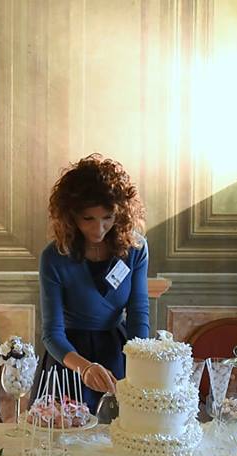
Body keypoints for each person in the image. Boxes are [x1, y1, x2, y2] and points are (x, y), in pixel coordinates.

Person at [33, 153, 149, 414]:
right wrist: (84, 368)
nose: (99, 229)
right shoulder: (54, 257)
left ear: (120, 213)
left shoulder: (135, 249)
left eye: (107, 217)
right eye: (88, 219)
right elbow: (52, 333)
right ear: (71, 216)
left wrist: (139, 363)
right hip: (69, 358)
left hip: (117, 352)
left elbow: (138, 313)